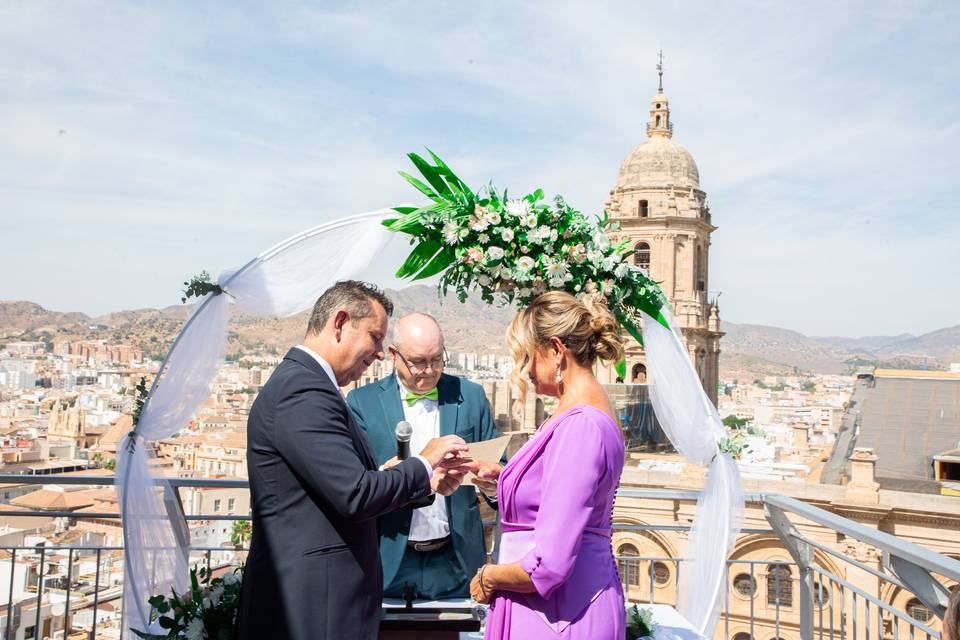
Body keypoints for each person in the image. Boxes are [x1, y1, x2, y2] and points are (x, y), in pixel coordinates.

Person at [236, 281, 469, 640]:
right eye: (375, 338)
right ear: (340, 322)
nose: (379, 353)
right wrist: (424, 461)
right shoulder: (303, 390)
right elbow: (355, 494)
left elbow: (342, 484)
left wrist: (418, 480)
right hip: (311, 609)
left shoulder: (309, 385)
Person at [469, 290, 627, 639]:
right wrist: (505, 481)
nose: (524, 370)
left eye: (528, 356)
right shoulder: (581, 412)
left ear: (557, 350)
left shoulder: (580, 425)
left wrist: (488, 576)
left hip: (558, 616)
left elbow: (549, 566)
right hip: (556, 610)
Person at [347, 312, 501, 600]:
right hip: (389, 558)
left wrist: (493, 485)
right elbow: (356, 482)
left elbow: (498, 467)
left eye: (437, 359)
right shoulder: (362, 402)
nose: (429, 370)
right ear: (394, 355)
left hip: (457, 560)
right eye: (418, 362)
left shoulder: (471, 395)